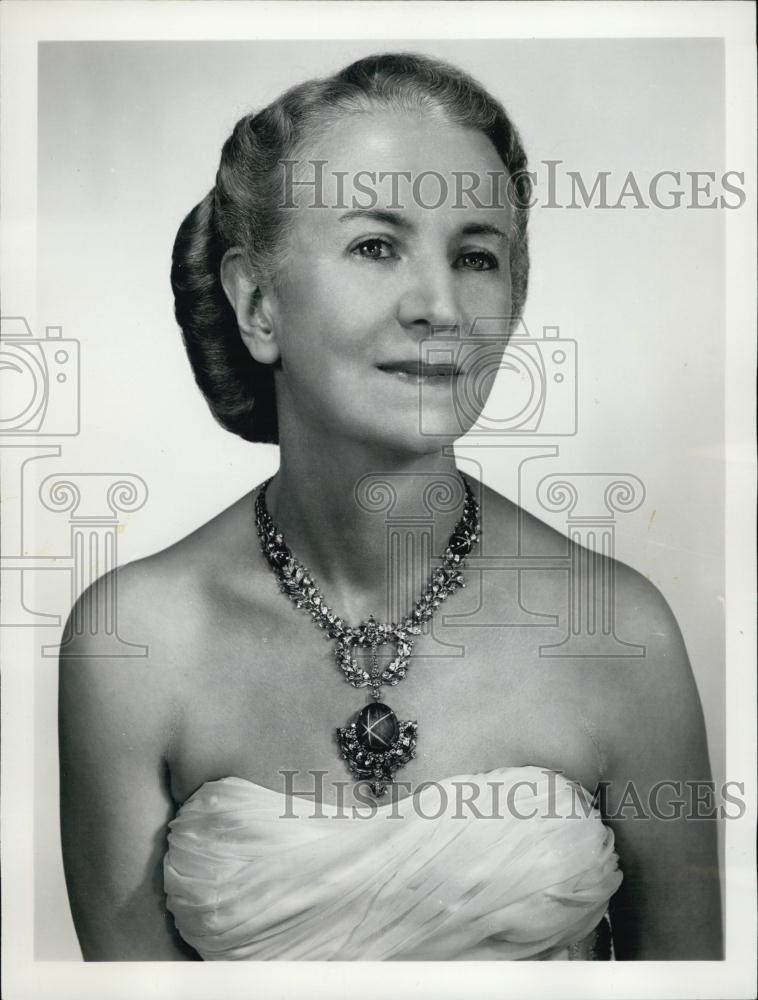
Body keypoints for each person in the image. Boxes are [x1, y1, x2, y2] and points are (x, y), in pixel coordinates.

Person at [58, 52, 721, 961]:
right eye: (377, 246)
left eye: (477, 256)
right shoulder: (134, 640)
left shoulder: (622, 631)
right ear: (256, 303)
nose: (441, 306)